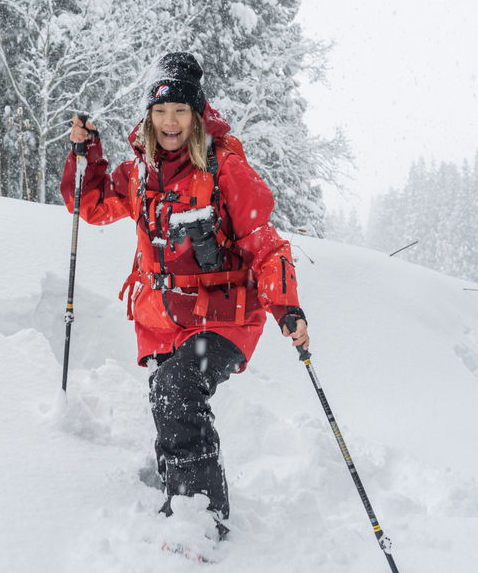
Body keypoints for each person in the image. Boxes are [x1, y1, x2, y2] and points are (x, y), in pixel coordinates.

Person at [61, 52, 309, 539]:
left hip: (224, 319)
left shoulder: (223, 169)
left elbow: (266, 243)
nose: (169, 121)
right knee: (166, 394)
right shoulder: (139, 175)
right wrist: (86, 155)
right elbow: (90, 205)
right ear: (148, 116)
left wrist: (287, 306)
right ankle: (178, 488)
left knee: (177, 390)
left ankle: (200, 520)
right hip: (163, 321)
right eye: (160, 110)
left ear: (196, 115)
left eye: (180, 110)